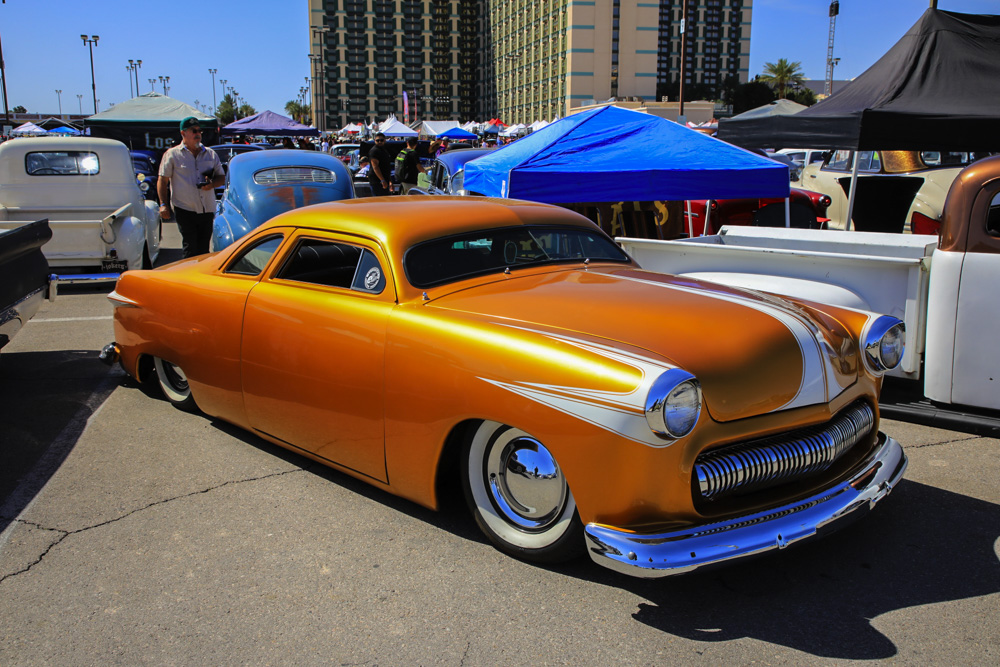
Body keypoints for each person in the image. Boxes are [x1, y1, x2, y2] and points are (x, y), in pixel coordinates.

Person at [157, 116, 225, 258]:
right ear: (183, 133)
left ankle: (200, 278)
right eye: (193, 131)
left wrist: (211, 184)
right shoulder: (173, 155)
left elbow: (221, 178)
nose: (198, 134)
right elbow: (162, 180)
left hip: (206, 208)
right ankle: (187, 278)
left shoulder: (210, 154)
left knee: (204, 249)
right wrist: (163, 204)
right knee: (190, 248)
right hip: (185, 209)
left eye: (199, 131)